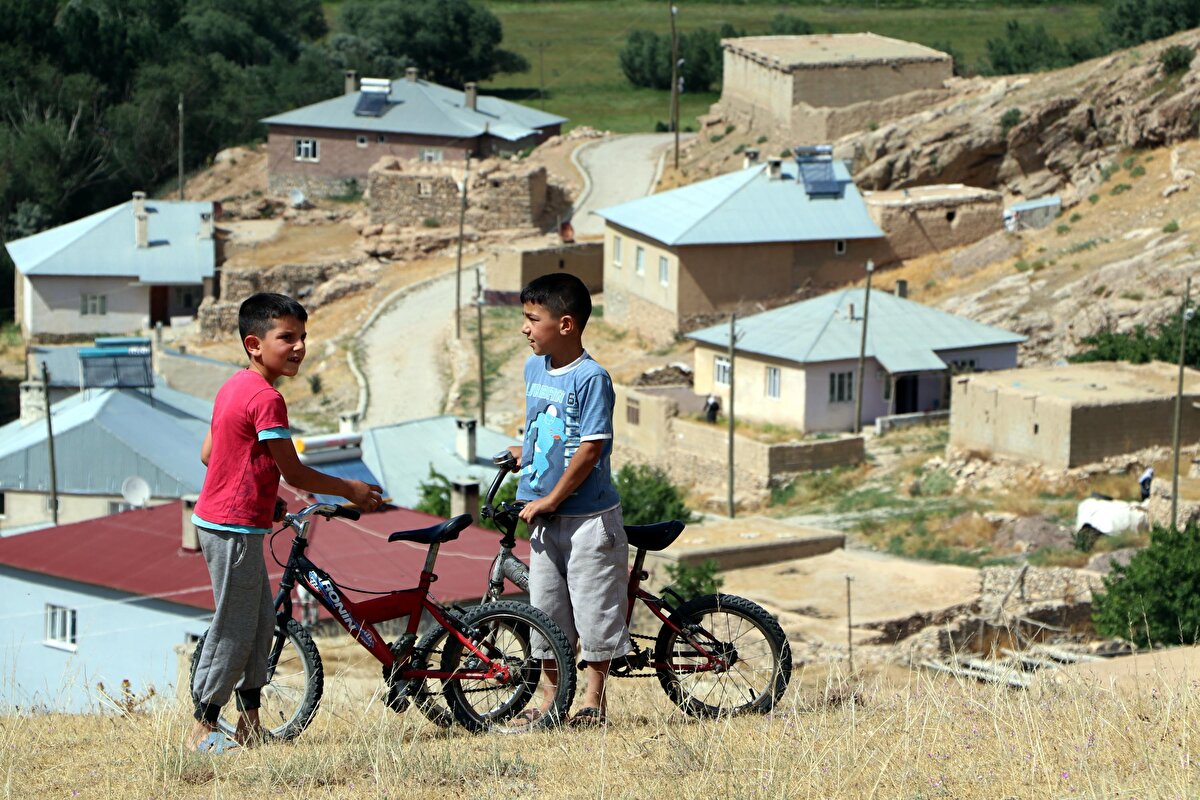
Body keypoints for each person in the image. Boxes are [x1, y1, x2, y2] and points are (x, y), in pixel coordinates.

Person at [187, 292, 382, 753]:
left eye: (303, 337)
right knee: (233, 625)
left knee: (258, 623)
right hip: (231, 527)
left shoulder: (233, 386)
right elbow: (294, 471)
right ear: (254, 344)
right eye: (286, 338)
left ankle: (250, 723)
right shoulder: (267, 398)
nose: (298, 347)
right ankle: (202, 725)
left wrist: (262, 495)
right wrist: (350, 489)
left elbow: (210, 454)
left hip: (229, 521)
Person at [506, 273, 629, 728]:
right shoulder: (533, 368)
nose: (525, 328)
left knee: (595, 611)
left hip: (587, 519)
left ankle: (592, 703)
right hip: (545, 515)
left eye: (532, 319)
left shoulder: (592, 378)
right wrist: (526, 451)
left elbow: (590, 447)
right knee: (547, 611)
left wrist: (551, 499)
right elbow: (543, 426)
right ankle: (548, 701)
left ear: (566, 324)